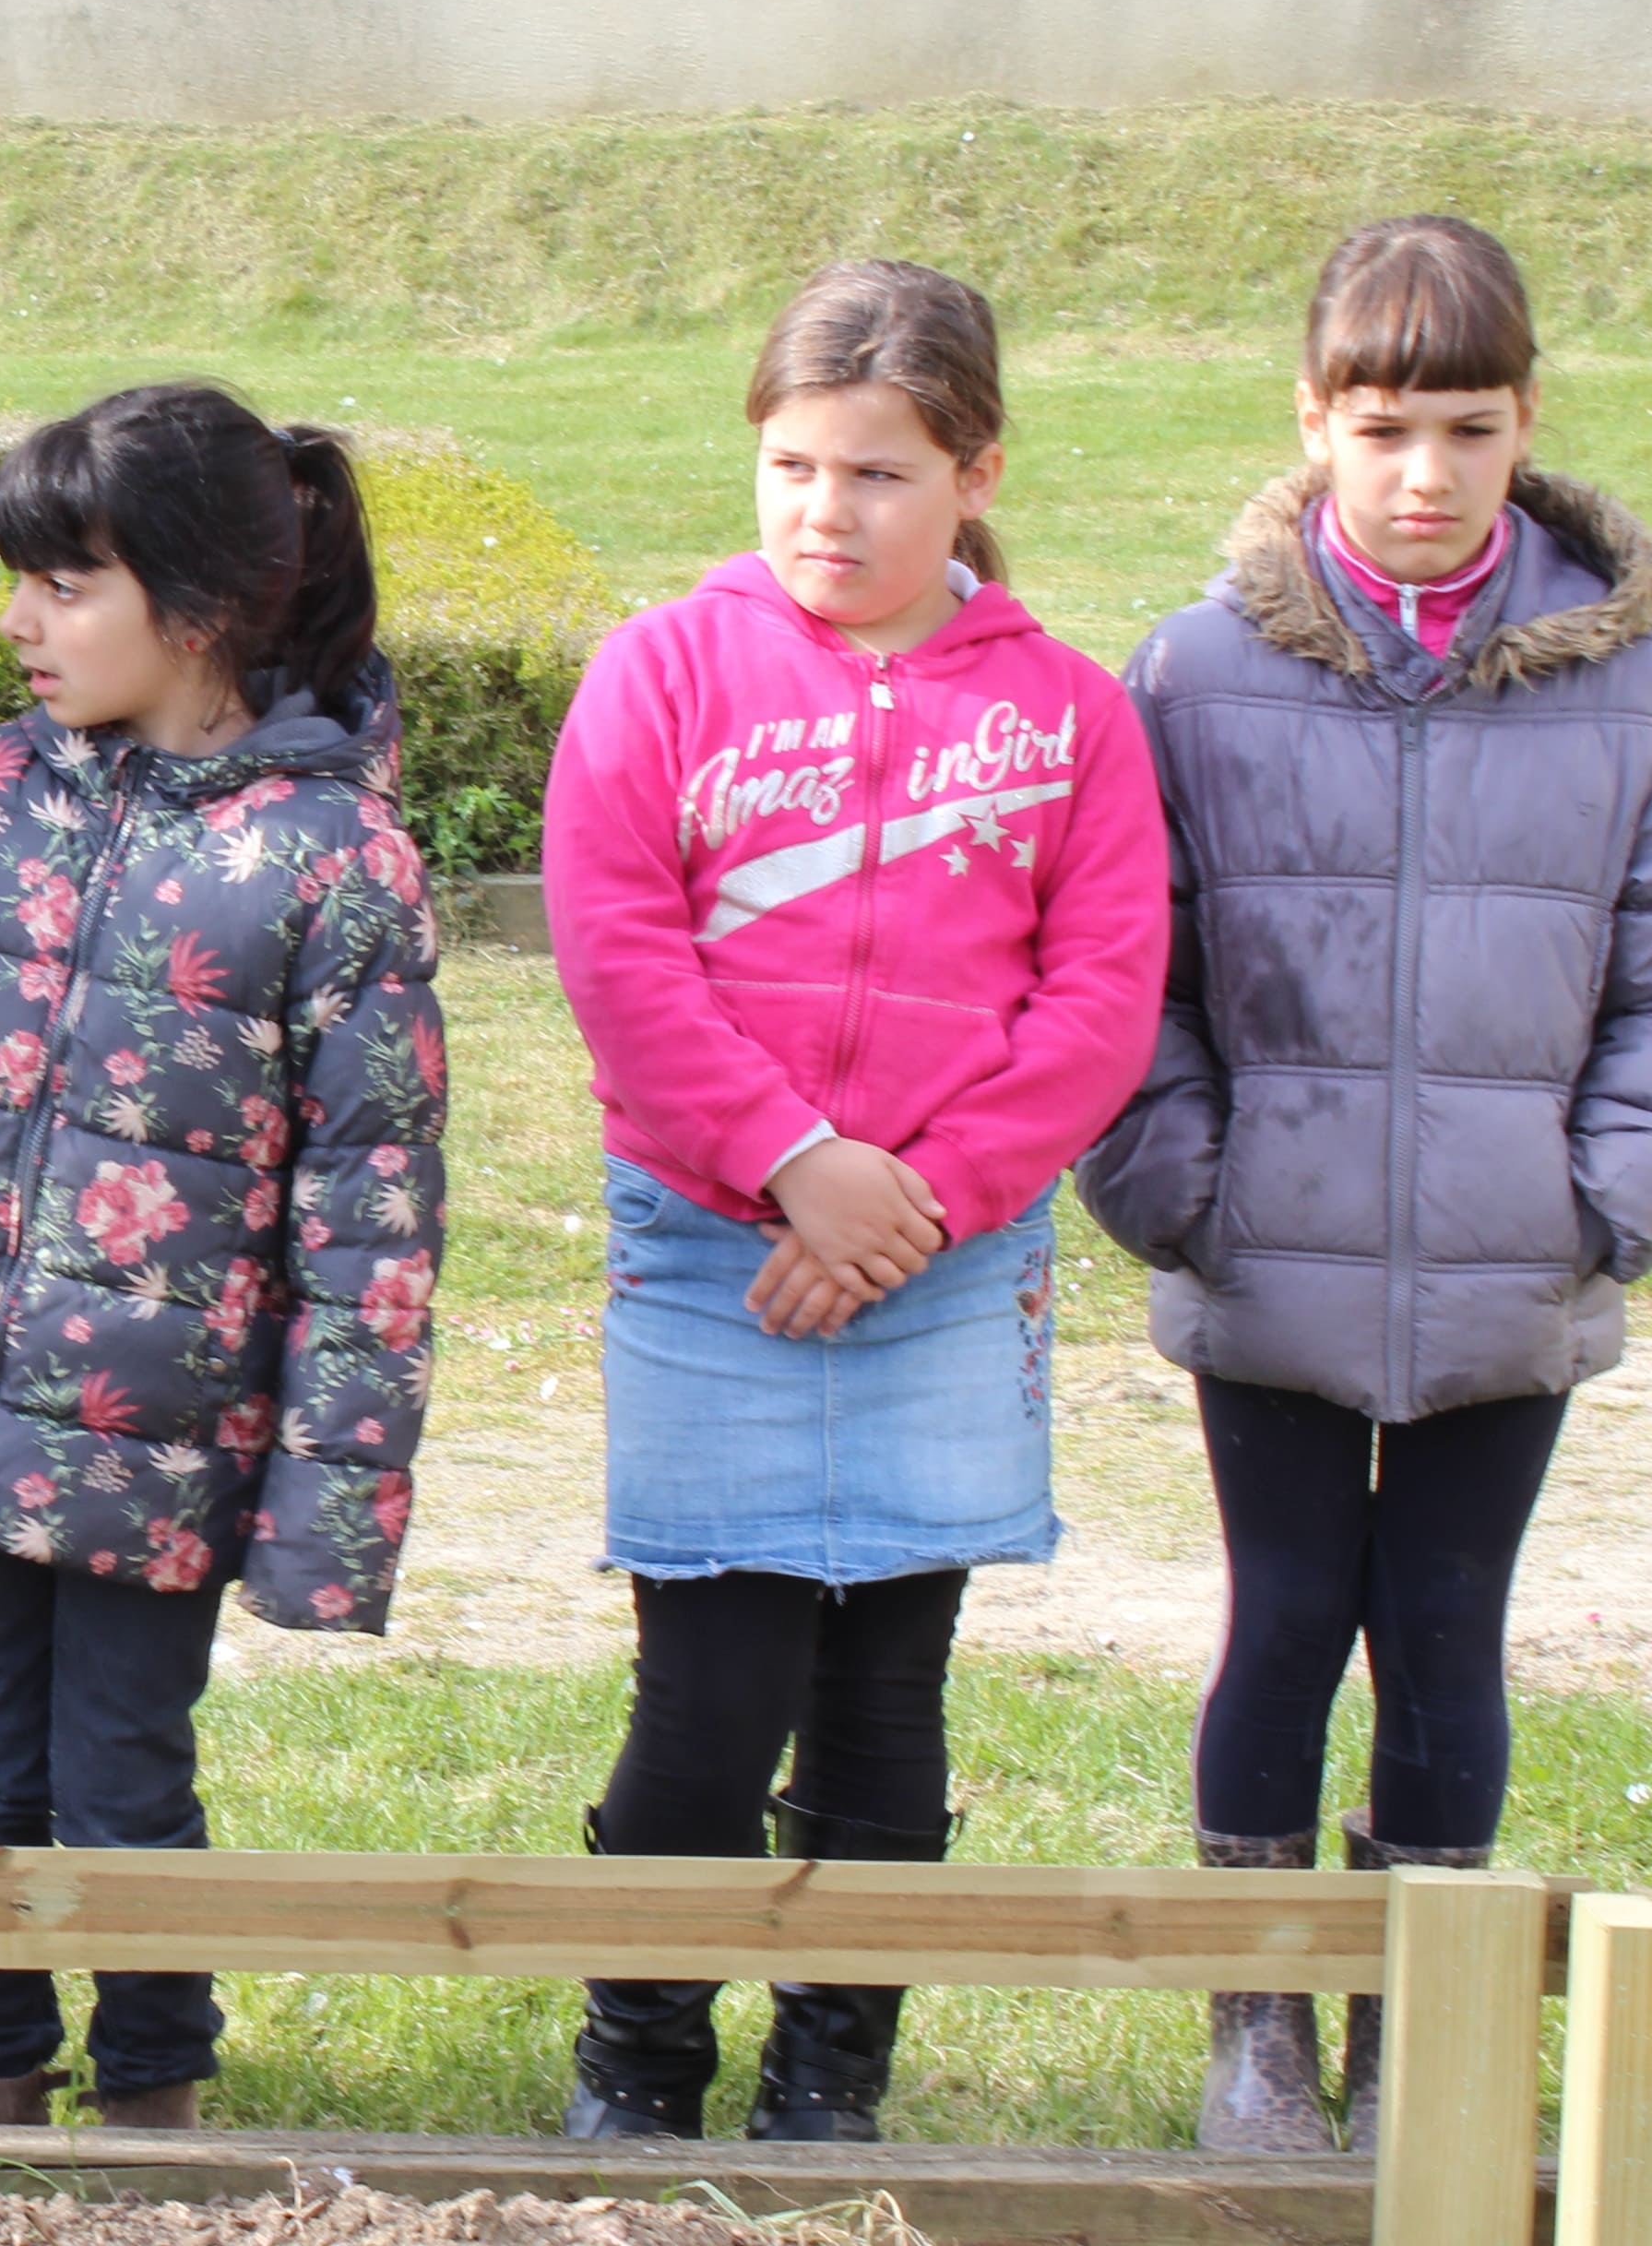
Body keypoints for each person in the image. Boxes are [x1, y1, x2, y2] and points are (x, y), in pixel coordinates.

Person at [1079, 218, 1652, 2156]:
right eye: (1382, 427)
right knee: (1288, 1614)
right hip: (1272, 1256)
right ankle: (1257, 2027)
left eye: (1468, 428)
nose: (1424, 474)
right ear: (1312, 420)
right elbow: (1129, 965)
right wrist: (1183, 1183)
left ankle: (1420, 2032)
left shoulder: (1638, 696)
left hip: (1509, 1263)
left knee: (1450, 1628)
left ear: (1526, 420)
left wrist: (1603, 1201)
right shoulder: (1196, 675)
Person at [536, 260, 1170, 2145]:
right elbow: (619, 953)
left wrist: (925, 1202)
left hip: (947, 1271)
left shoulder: (1071, 714)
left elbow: (1101, 998)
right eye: (795, 465)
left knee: (889, 1695)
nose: (829, 511)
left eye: (881, 473)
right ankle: (640, 2060)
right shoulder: (661, 670)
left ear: (977, 474)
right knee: (711, 1692)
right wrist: (793, 1162)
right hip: (710, 1252)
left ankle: (833, 2077)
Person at [0, 383, 447, 2132]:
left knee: (125, 1781)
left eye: (64, 584)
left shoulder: (335, 858)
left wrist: (329, 1515)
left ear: (201, 605)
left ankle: (157, 2113)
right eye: (21, 577)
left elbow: (372, 1218)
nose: (17, 619)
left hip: (163, 1444)